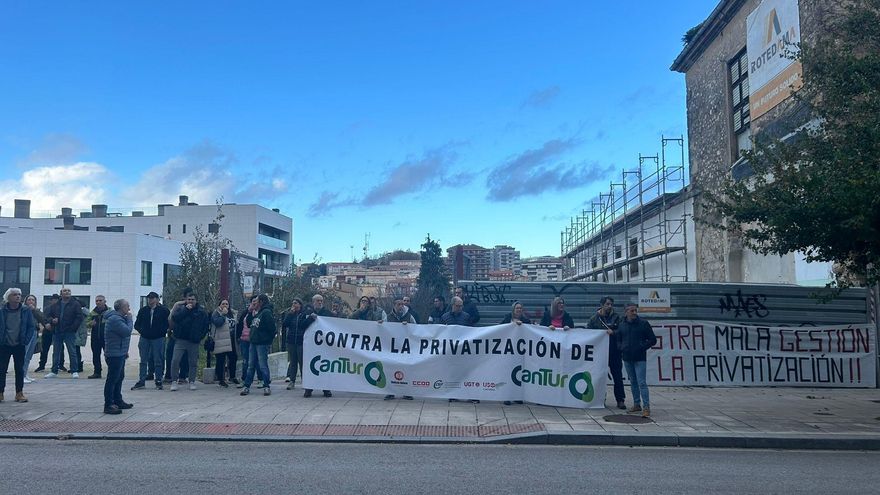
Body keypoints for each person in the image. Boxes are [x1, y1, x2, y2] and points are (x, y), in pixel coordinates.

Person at [617, 303, 657, 418]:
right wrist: (621, 347)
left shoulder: (643, 324)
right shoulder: (622, 324)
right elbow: (618, 339)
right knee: (633, 382)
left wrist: (642, 347)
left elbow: (653, 340)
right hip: (627, 358)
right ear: (626, 312)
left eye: (635, 311)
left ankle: (646, 407)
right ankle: (636, 404)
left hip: (640, 358)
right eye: (632, 311)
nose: (634, 313)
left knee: (642, 383)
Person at [587, 296, 625, 410]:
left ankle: (620, 400)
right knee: (600, 377)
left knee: (617, 377)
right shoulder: (594, 319)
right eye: (607, 304)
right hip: (600, 354)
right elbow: (588, 333)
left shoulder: (617, 318)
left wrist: (613, 332)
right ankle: (600, 399)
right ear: (602, 305)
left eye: (611, 304)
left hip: (614, 352)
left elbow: (622, 331)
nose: (610, 306)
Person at [168, 292, 210, 391]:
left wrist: (200, 337)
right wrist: (186, 310)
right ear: (186, 300)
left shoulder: (201, 312)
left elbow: (205, 325)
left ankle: (192, 381)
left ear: (196, 301)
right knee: (175, 360)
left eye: (193, 299)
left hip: (193, 341)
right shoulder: (180, 309)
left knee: (193, 362)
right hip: (180, 339)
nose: (191, 301)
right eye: (189, 299)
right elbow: (175, 318)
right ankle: (174, 381)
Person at [1, 288, 37, 403]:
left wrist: (26, 340)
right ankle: (0, 392)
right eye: (15, 295)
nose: (18, 297)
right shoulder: (2, 310)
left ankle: (19, 393)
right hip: (4, 344)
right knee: (1, 369)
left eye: (19, 295)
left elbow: (31, 326)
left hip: (20, 344)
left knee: (19, 369)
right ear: (8, 297)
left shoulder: (25, 310)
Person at [442, 296, 478, 403]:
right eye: (458, 306)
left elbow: (472, 331)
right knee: (453, 373)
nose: (460, 308)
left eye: (461, 306)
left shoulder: (466, 317)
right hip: (451, 351)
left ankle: (469, 394)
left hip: (464, 350)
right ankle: (453, 394)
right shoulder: (444, 317)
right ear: (453, 305)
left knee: (466, 373)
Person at [132, 292, 170, 390]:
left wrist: (161, 332)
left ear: (157, 299)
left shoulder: (164, 311)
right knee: (143, 360)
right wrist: (142, 331)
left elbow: (167, 323)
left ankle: (158, 380)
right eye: (149, 298)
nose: (150, 300)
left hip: (158, 338)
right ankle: (142, 380)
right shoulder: (143, 310)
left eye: (153, 298)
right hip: (145, 338)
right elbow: (137, 324)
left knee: (158, 359)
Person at [240, 294, 276, 397]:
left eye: (256, 301)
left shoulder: (266, 313)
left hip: (262, 343)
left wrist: (267, 340)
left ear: (261, 302)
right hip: (253, 342)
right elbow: (248, 323)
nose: (253, 303)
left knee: (262, 365)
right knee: (251, 365)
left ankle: (266, 386)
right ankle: (247, 385)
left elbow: (272, 329)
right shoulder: (257, 313)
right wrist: (250, 312)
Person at [103, 299, 134, 415]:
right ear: (121, 308)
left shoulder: (119, 318)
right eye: (127, 306)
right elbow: (126, 332)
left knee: (119, 377)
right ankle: (109, 404)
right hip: (114, 354)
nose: (129, 308)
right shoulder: (115, 319)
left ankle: (118, 400)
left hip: (119, 352)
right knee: (112, 379)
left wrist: (124, 351)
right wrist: (130, 320)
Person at [44, 288, 83, 378]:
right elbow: (48, 316)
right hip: (57, 331)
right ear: (61, 294)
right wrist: (52, 320)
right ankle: (54, 371)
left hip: (69, 331)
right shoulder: (56, 305)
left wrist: (73, 328)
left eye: (69, 291)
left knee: (72, 351)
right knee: (56, 352)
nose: (67, 292)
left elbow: (79, 317)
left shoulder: (75, 304)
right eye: (65, 291)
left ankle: (74, 371)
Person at [301, 294, 333, 398]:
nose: (320, 302)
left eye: (321, 301)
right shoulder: (307, 313)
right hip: (311, 346)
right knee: (310, 366)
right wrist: (310, 318)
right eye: (318, 301)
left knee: (324, 365)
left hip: (324, 345)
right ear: (313, 302)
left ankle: (326, 388)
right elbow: (302, 325)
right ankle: (309, 389)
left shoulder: (327, 313)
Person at [500, 301, 530, 405]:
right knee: (507, 373)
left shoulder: (526, 320)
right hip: (508, 349)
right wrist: (512, 325)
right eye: (517, 308)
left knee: (518, 374)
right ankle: (507, 396)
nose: (519, 310)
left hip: (520, 351)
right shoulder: (507, 317)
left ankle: (517, 396)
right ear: (513, 310)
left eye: (520, 308)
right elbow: (500, 328)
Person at [385, 297, 415, 401]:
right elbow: (382, 330)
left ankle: (407, 392)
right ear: (394, 305)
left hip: (405, 348)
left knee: (406, 370)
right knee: (390, 369)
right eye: (399, 304)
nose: (401, 306)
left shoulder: (409, 317)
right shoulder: (388, 317)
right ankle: (390, 392)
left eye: (402, 304)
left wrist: (409, 326)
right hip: (392, 348)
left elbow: (416, 329)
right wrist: (379, 325)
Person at [235, 296, 263, 387]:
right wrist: (238, 336)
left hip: (255, 340)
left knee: (258, 361)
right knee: (246, 361)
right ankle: (244, 379)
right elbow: (240, 324)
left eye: (256, 301)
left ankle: (261, 379)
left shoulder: (261, 312)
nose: (254, 303)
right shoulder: (246, 312)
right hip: (244, 339)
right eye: (253, 301)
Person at [210, 300, 235, 388]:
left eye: (226, 304)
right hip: (221, 340)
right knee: (220, 360)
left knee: (233, 358)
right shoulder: (216, 313)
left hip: (231, 339)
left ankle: (232, 376)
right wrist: (223, 314)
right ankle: (221, 379)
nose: (225, 305)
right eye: (223, 304)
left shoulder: (232, 313)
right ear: (219, 305)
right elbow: (218, 323)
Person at [282, 298, 305, 390]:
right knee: (293, 362)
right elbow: (285, 324)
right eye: (293, 303)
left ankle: (305, 381)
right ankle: (292, 381)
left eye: (295, 303)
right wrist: (290, 314)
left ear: (300, 304)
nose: (294, 305)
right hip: (291, 341)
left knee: (302, 361)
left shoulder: (303, 314)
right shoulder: (291, 315)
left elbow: (304, 325)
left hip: (300, 341)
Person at [22, 295, 45, 384]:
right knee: (24, 354)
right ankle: (22, 375)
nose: (31, 301)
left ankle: (25, 373)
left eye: (33, 300)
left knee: (29, 355)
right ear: (26, 301)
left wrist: (34, 310)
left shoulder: (36, 310)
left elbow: (42, 319)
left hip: (34, 332)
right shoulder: (23, 309)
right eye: (29, 299)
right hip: (26, 333)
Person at [85, 295, 110, 379]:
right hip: (95, 337)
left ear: (105, 301)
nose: (98, 302)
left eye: (100, 300)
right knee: (95, 355)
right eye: (97, 301)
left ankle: (111, 371)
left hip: (107, 338)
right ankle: (97, 372)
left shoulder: (110, 311)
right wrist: (90, 324)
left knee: (109, 355)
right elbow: (86, 323)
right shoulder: (92, 313)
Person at [35, 294, 60, 372]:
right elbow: (44, 318)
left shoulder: (61, 308)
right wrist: (47, 323)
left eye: (57, 299)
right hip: (47, 330)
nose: (55, 301)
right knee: (44, 349)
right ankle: (42, 365)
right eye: (54, 299)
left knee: (59, 349)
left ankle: (60, 365)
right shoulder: (47, 308)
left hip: (58, 330)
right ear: (51, 300)